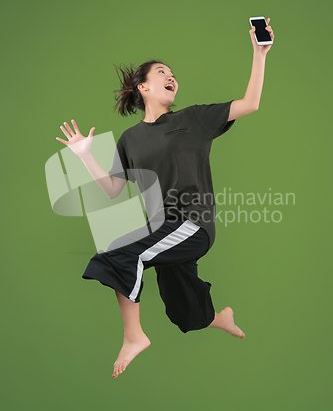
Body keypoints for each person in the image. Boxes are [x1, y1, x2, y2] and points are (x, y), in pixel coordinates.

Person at [56, 19, 274, 379]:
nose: (172, 77)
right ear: (143, 87)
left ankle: (133, 336)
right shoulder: (130, 139)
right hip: (161, 228)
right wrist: (84, 155)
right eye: (162, 72)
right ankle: (219, 318)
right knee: (184, 311)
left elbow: (250, 103)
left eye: (173, 74)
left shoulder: (195, 119)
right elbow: (112, 189)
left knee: (120, 252)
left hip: (193, 224)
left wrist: (259, 52)